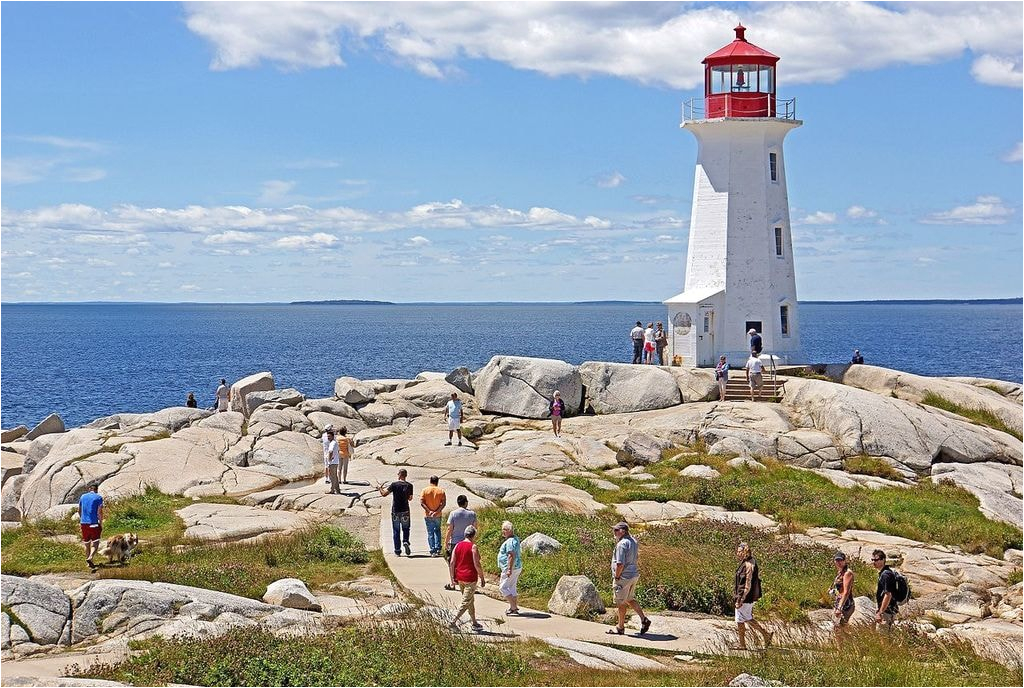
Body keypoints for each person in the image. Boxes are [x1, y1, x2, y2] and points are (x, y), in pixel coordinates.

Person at [607, 521, 651, 636]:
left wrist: (617, 577)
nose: (614, 532)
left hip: (623, 577)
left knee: (621, 603)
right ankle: (644, 619)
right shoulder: (634, 541)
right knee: (630, 599)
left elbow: (620, 564)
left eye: (616, 530)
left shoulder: (622, 544)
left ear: (623, 531)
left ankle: (620, 627)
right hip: (633, 575)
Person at [732, 542, 772, 650]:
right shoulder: (749, 561)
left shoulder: (748, 565)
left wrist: (740, 598)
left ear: (745, 552)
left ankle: (743, 644)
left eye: (739, 551)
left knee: (741, 619)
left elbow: (746, 583)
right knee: (746, 618)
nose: (737, 553)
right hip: (748, 596)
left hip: (746, 597)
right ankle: (765, 635)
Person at [449, 524, 486, 632]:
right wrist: (482, 577)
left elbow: (452, 563)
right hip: (470, 578)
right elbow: (477, 564)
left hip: (460, 577)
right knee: (466, 601)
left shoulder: (458, 545)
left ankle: (474, 622)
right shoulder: (473, 547)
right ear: (473, 535)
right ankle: (452, 621)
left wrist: (452, 578)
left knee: (470, 600)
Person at [378, 469, 414, 556]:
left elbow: (384, 494)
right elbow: (410, 498)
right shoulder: (410, 485)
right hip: (405, 510)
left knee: (396, 530)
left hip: (395, 510)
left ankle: (397, 550)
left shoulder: (394, 485)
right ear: (406, 475)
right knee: (406, 528)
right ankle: (405, 541)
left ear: (399, 475)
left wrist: (380, 489)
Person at [444, 494, 477, 571]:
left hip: (455, 542)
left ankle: (454, 579)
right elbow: (474, 529)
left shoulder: (453, 513)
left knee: (453, 562)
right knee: (466, 562)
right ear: (466, 503)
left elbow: (449, 529)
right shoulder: (472, 514)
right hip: (468, 542)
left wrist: (446, 542)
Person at [497, 521, 523, 615]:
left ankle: (513, 606)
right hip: (517, 567)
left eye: (503, 530)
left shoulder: (510, 542)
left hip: (511, 567)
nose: (502, 532)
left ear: (508, 530)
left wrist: (509, 569)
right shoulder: (515, 539)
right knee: (512, 587)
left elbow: (511, 555)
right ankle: (513, 609)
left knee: (503, 587)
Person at [79, 484, 104, 571]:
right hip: (93, 523)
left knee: (87, 543)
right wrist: (101, 523)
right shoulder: (98, 498)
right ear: (96, 490)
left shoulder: (82, 497)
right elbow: (99, 512)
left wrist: (81, 519)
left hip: (83, 523)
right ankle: (90, 557)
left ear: (89, 489)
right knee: (95, 542)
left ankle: (88, 564)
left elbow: (80, 510)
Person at [872, 549, 899, 630]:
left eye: (876, 560)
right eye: (872, 560)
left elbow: (888, 595)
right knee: (886, 636)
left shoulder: (885, 575)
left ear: (883, 560)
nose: (874, 562)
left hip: (887, 611)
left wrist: (880, 612)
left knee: (882, 638)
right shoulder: (886, 572)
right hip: (890, 610)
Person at [420, 476, 447, 557]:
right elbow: (443, 503)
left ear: (430, 481)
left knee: (430, 533)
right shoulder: (441, 491)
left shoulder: (425, 490)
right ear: (437, 482)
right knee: (437, 531)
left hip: (428, 515)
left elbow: (422, 502)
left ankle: (432, 550)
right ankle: (438, 548)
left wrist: (429, 511)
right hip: (438, 515)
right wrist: (436, 512)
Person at [830, 551, 856, 628]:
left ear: (845, 561)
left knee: (840, 628)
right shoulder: (841, 572)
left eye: (841, 560)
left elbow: (846, 592)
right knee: (836, 627)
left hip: (845, 605)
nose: (839, 562)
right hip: (839, 602)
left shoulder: (847, 573)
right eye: (837, 560)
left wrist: (839, 608)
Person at [324, 429, 341, 495]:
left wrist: (329, 459)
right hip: (336, 461)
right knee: (335, 477)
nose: (328, 438)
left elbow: (330, 451)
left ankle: (332, 490)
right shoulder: (335, 442)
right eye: (327, 436)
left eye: (329, 436)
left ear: (333, 436)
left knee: (332, 477)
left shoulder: (332, 443)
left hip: (332, 462)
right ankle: (337, 490)